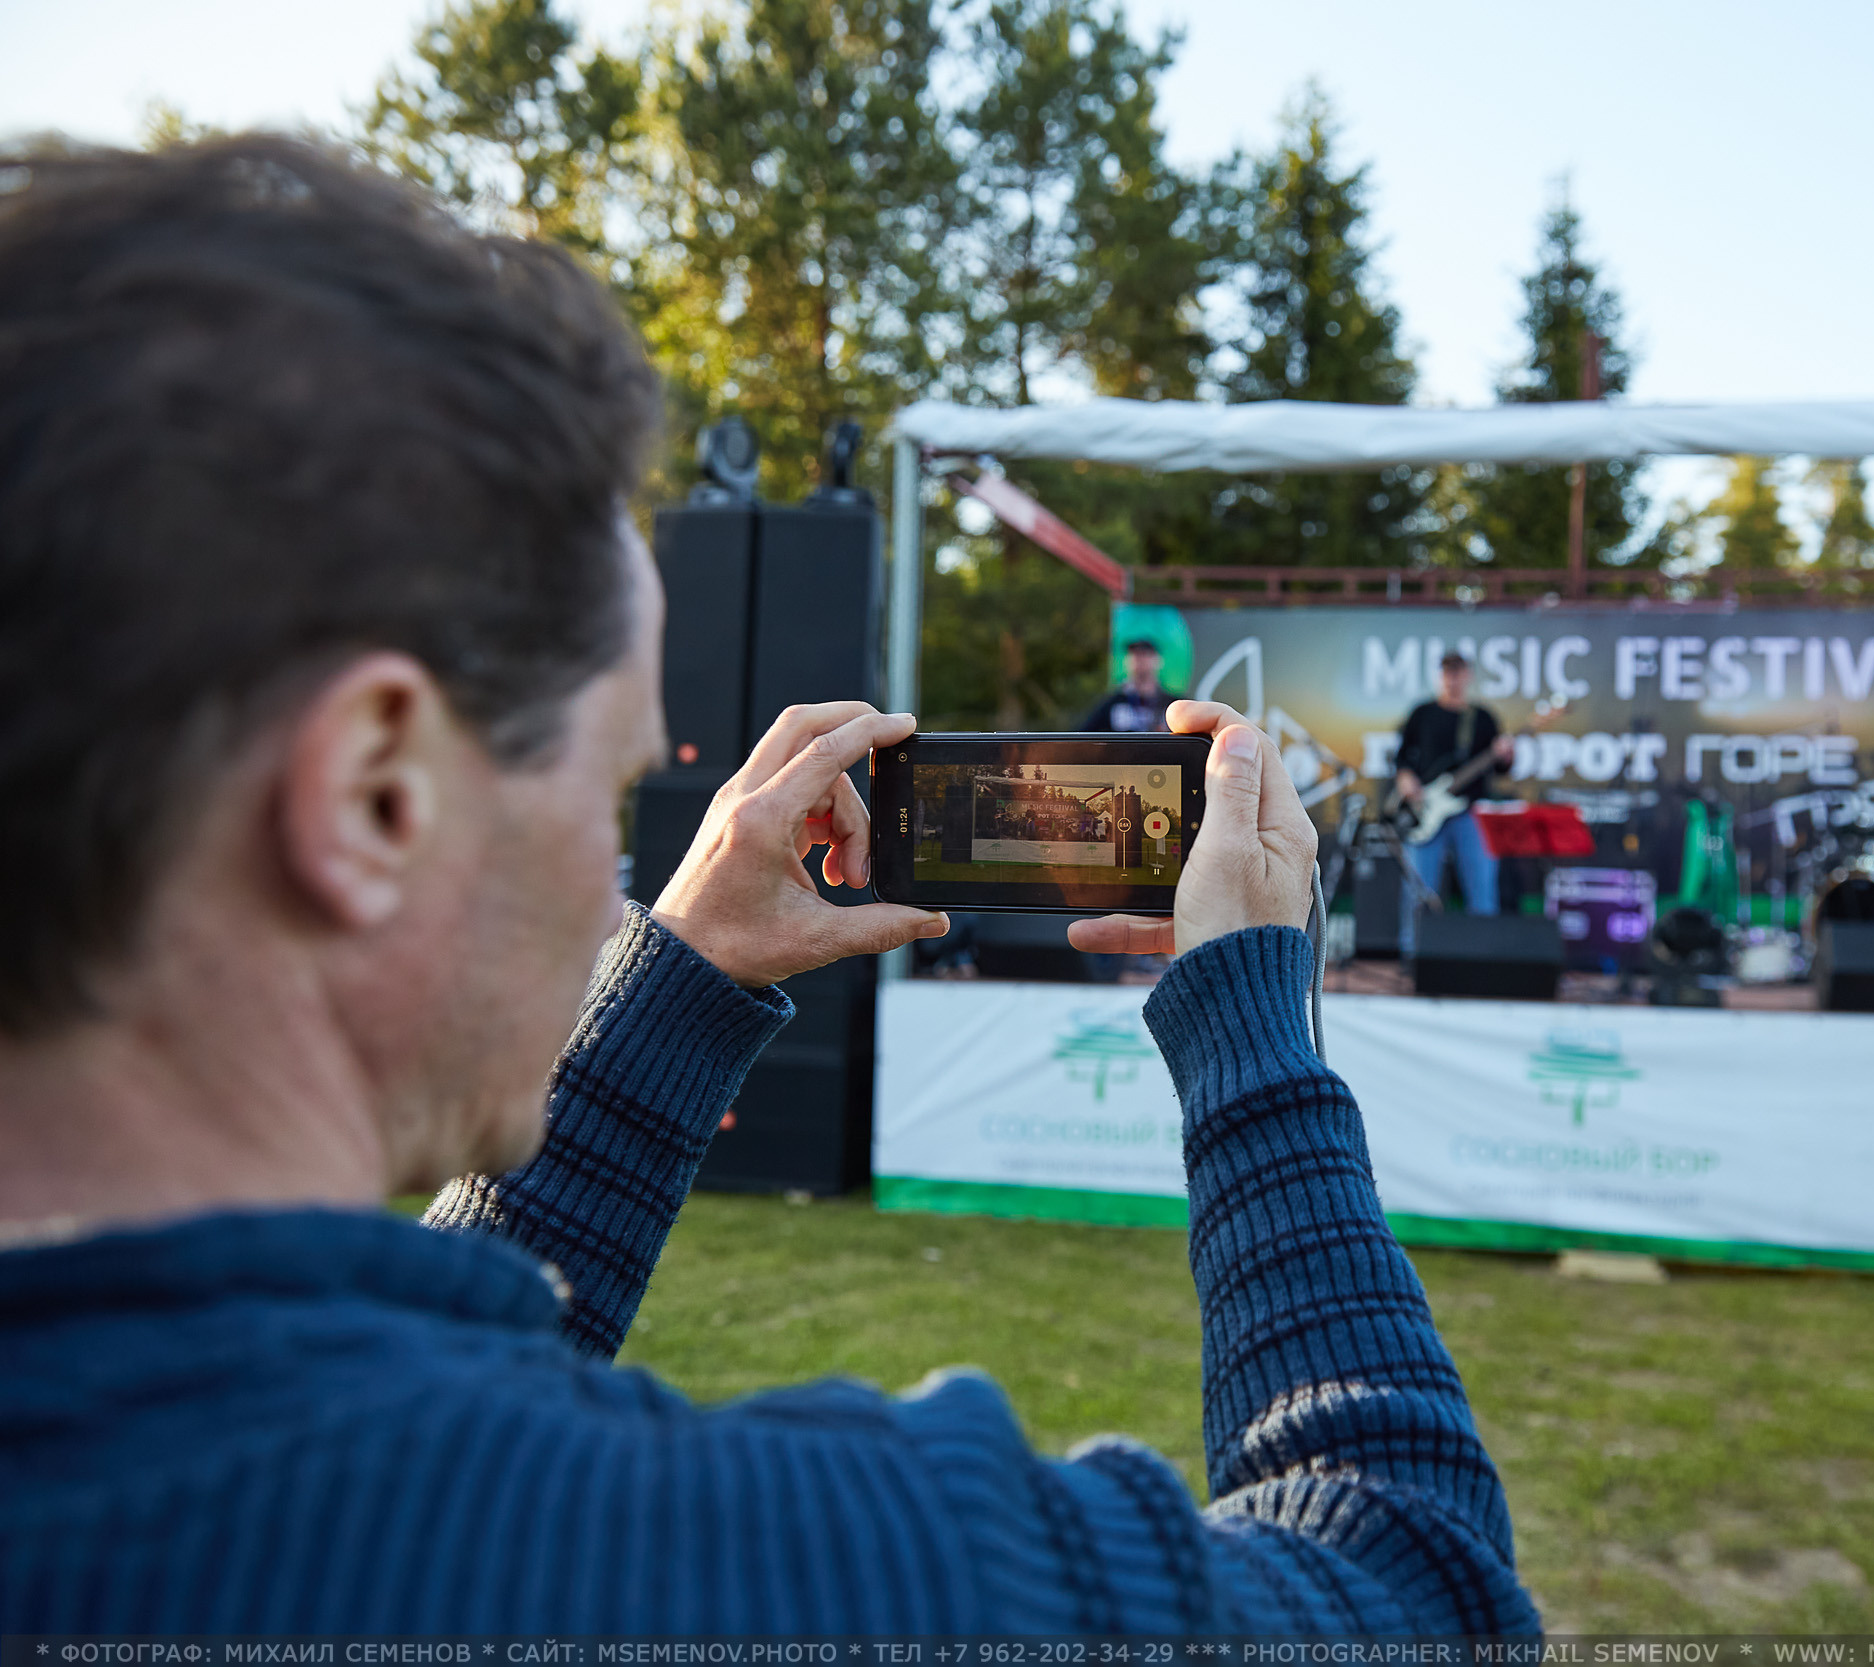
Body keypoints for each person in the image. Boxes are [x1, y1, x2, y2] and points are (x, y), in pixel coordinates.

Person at [0, 138, 1535, 1637]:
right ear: (373, 796)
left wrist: (675, 983)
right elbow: (1418, 1580)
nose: (621, 881)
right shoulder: (799, 1560)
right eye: (609, 792)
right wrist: (1256, 1036)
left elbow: (356, 1410)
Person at [1392, 652, 1516, 955]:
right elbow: (1402, 758)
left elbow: (1501, 768)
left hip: (1471, 812)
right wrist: (1406, 779)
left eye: (1458, 672)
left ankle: (1483, 955)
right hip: (1427, 813)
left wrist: (1507, 755)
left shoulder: (1482, 718)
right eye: (1447, 672)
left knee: (1482, 888)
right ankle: (1415, 955)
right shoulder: (1422, 713)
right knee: (1419, 889)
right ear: (1440, 675)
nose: (1452, 679)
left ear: (1468, 675)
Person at [1076, 637, 1172, 732]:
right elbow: (1083, 733)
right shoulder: (1114, 702)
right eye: (1135, 655)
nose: (1140, 660)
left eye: (1145, 654)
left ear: (1158, 660)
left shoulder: (1170, 704)